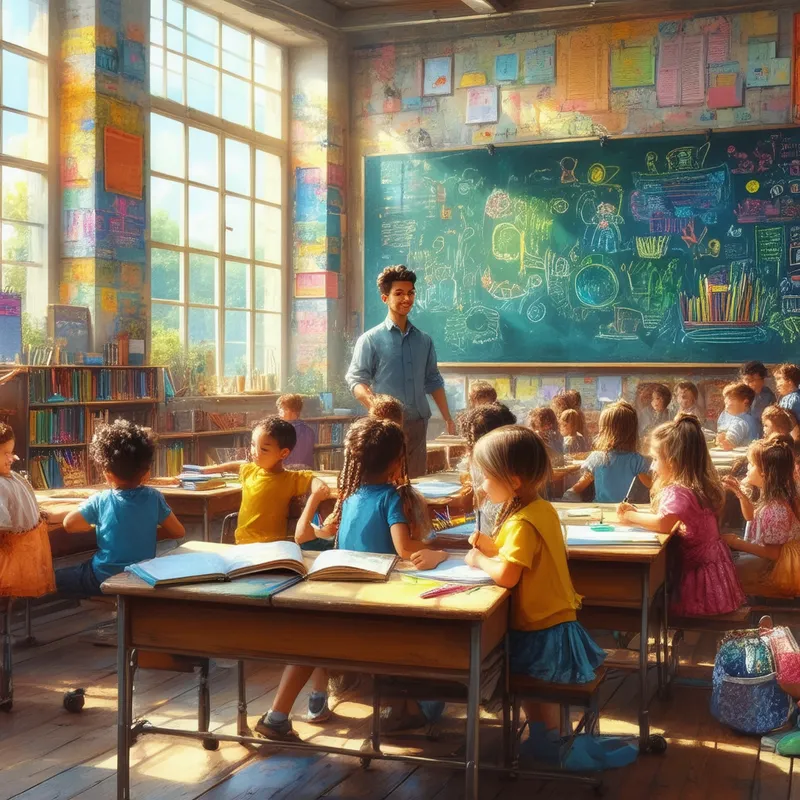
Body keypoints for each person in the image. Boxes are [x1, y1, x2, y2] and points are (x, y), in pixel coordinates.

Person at [260, 417, 447, 741]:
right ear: (397, 460)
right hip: (377, 610)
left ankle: (276, 716)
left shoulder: (349, 496)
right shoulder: (391, 497)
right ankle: (402, 707)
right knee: (419, 639)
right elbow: (404, 547)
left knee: (308, 648)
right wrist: (437, 551)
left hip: (339, 599)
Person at [465, 426, 615, 769]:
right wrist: (491, 547)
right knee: (536, 687)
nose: (482, 486)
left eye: (486, 478)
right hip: (556, 624)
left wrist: (478, 559)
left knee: (528, 684)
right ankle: (549, 737)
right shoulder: (542, 509)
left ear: (513, 480)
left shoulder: (520, 523)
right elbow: (522, 556)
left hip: (538, 632)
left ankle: (546, 743)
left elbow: (507, 574)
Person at [618, 416, 745, 616]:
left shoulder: (678, 491)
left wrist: (631, 515)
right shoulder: (697, 486)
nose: (652, 466)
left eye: (656, 459)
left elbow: (663, 523)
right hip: (713, 576)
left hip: (697, 586)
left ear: (673, 461)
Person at [346, 265, 456, 479]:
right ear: (385, 298)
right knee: (387, 483)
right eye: (399, 293)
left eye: (411, 293)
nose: (407, 298)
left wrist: (447, 418)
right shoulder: (370, 340)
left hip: (417, 424)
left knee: (414, 482)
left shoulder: (424, 340)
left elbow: (433, 380)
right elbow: (356, 380)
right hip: (386, 428)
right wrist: (376, 407)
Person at [56, 421, 185, 596]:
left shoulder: (101, 500)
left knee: (56, 578)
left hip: (102, 578)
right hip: (141, 578)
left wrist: (92, 525)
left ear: (107, 474)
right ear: (146, 472)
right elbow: (178, 532)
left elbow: (69, 524)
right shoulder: (154, 497)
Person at [201, 416, 329, 544]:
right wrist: (212, 469)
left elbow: (313, 480)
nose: (254, 452)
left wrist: (318, 490)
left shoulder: (290, 478)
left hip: (272, 547)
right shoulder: (250, 470)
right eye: (252, 445)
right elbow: (237, 466)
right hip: (242, 544)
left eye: (264, 449)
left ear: (283, 453)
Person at [723, 437, 800, 597]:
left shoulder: (776, 510)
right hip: (772, 560)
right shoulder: (770, 496)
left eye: (751, 465)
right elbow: (751, 517)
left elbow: (774, 553)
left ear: (764, 472)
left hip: (781, 568)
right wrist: (740, 494)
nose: (747, 468)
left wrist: (736, 543)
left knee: (727, 574)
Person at [0, 423, 55, 601]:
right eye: (5, 453)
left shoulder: (9, 480)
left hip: (15, 567)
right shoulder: (9, 481)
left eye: (11, 452)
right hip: (25, 566)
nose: (11, 458)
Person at [565, 401, 651, 503]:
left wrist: (565, 497)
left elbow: (577, 488)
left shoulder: (596, 458)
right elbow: (652, 485)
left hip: (601, 512)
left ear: (605, 431)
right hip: (625, 511)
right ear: (632, 431)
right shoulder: (636, 460)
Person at [458, 402, 516, 534]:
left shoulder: (501, 461)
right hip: (486, 526)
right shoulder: (476, 459)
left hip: (500, 525)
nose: (472, 440)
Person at [277, 393, 315, 469]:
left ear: (291, 411)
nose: (279, 412)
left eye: (282, 409)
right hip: (307, 471)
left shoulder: (281, 431)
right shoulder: (309, 430)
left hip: (287, 471)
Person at [716, 382, 757, 451]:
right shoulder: (750, 419)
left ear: (745, 402)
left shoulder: (740, 421)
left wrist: (722, 440)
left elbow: (728, 444)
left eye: (731, 399)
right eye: (726, 398)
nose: (726, 401)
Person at [741, 361, 776, 437]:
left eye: (751, 380)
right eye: (745, 380)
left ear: (762, 380)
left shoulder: (768, 396)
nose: (747, 384)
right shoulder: (738, 394)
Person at [774, 363, 800, 441]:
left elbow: (792, 426)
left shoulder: (791, 399)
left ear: (789, 381)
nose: (777, 385)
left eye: (779, 379)